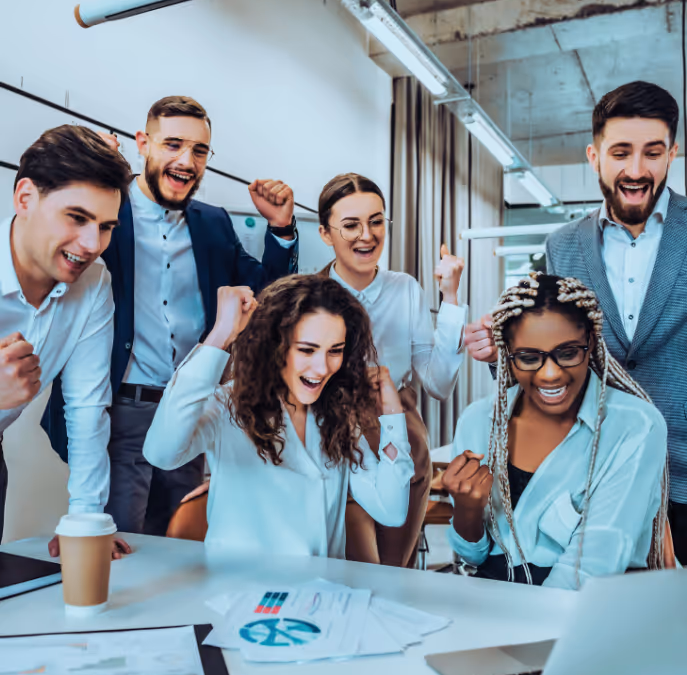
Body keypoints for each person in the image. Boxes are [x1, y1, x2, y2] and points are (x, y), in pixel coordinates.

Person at [42, 96, 299, 537]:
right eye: (173, 145)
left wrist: (280, 230)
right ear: (143, 143)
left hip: (191, 409)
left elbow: (268, 297)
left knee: (182, 538)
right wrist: (88, 172)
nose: (186, 161)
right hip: (121, 408)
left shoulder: (213, 223)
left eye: (199, 151)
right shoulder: (107, 213)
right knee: (120, 540)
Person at [464, 81, 687, 564]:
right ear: (594, 155)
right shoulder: (561, 246)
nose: (635, 170)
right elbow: (548, 350)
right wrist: (495, 350)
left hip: (684, 484)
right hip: (590, 477)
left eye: (652, 153)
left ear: (673, 152)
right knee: (603, 622)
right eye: (620, 152)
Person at [142, 276, 412, 558]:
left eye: (335, 351)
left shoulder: (337, 416)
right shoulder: (228, 404)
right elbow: (161, 453)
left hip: (321, 595)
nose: (321, 368)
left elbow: (391, 510)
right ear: (275, 345)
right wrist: (220, 335)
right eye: (307, 349)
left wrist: (392, 415)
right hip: (243, 593)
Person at [447, 274, 669, 589]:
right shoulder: (478, 420)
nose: (550, 374)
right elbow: (473, 556)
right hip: (492, 601)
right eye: (528, 358)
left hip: (583, 610)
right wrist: (468, 510)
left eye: (567, 353)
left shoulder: (634, 426)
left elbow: (592, 567)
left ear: (590, 343)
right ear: (507, 354)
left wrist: (520, 634)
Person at [317, 173, 465, 567]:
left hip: (398, 431)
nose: (366, 235)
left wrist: (450, 298)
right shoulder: (308, 293)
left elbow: (438, 383)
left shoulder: (406, 289)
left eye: (376, 221)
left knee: (393, 568)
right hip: (329, 435)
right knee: (354, 566)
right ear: (325, 233)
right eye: (350, 225)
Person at [0, 125, 132, 557]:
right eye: (76, 217)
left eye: (106, 226)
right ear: (25, 198)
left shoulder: (94, 283)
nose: (93, 244)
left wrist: (86, 519)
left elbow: (87, 408)